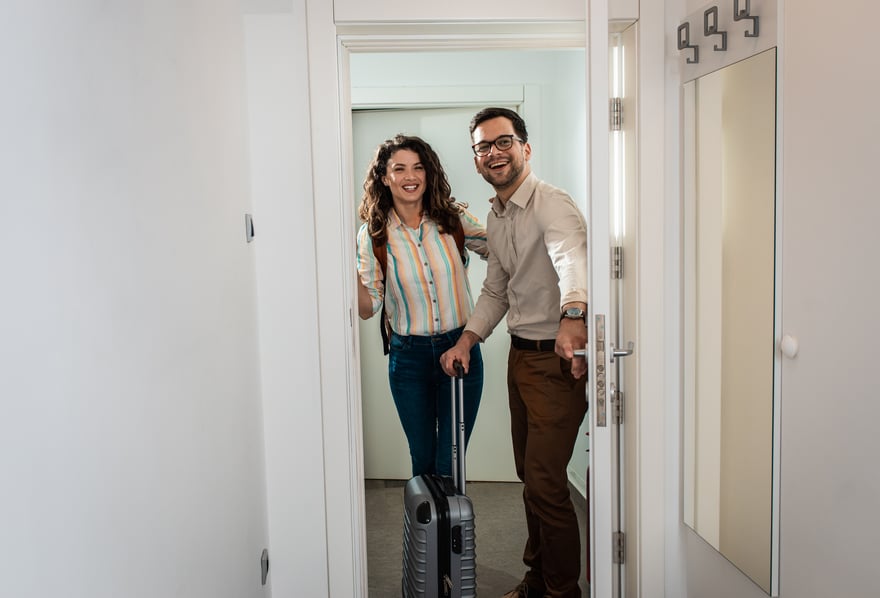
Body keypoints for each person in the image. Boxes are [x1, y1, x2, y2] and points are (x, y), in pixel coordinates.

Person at [440, 108, 589, 598]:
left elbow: (571, 259)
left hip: (556, 360)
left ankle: (562, 591)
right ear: (477, 160)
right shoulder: (497, 217)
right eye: (483, 147)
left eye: (503, 141)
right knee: (530, 477)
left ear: (525, 148)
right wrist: (467, 339)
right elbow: (496, 290)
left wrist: (574, 315)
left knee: (545, 482)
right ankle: (538, 581)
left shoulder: (552, 204)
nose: (494, 153)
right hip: (520, 359)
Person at [356, 133, 488, 478]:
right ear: (385, 177)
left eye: (418, 167)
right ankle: (427, 517)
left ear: (428, 174)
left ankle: (452, 516)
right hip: (409, 359)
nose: (410, 176)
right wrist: (343, 265)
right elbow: (368, 307)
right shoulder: (373, 235)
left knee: (451, 462)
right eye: (399, 169)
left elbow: (500, 249)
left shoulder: (452, 219)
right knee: (423, 460)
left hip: (460, 349)